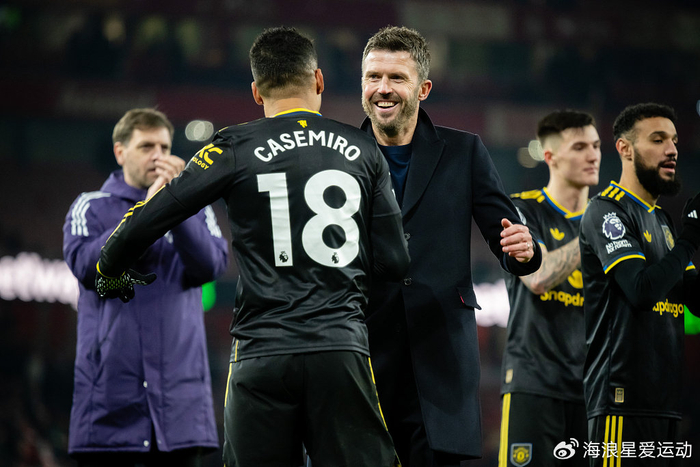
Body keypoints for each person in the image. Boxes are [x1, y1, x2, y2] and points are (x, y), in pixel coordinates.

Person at [93, 27, 409, 467]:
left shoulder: (234, 146)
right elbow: (395, 262)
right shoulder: (364, 149)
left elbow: (150, 218)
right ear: (318, 80)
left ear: (256, 92)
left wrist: (109, 268)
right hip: (340, 349)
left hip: (262, 353)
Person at [359, 26, 542, 466]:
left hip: (439, 359)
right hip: (361, 353)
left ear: (423, 89)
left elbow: (507, 235)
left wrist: (524, 250)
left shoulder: (465, 151)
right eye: (373, 77)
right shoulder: (340, 154)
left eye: (397, 78)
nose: (383, 88)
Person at [62, 108, 229, 467]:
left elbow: (211, 266)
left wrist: (175, 203)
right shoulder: (89, 207)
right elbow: (89, 268)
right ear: (120, 152)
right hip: (109, 409)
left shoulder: (194, 208)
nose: (158, 155)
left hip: (180, 411)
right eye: (146, 146)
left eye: (165, 147)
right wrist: (150, 208)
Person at [579, 103, 700, 466]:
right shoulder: (607, 211)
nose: (672, 149)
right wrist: (690, 239)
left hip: (666, 406)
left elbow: (694, 299)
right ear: (625, 148)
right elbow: (642, 291)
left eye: (674, 140)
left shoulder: (663, 221)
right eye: (658, 139)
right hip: (621, 404)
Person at [499, 110, 601, 467]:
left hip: (594, 391)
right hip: (534, 384)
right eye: (579, 147)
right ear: (550, 156)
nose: (593, 155)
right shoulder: (521, 209)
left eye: (596, 146)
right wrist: (592, 234)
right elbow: (537, 277)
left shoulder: (608, 220)